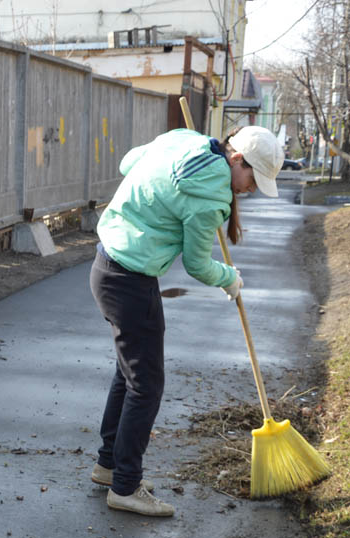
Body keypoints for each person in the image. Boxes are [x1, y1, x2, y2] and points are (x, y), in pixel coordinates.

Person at [89, 125, 282, 517]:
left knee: (129, 375)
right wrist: (230, 278)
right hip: (131, 277)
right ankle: (126, 486)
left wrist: (163, 181)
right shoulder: (210, 193)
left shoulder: (183, 140)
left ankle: (109, 467)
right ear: (238, 159)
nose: (250, 189)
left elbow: (130, 161)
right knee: (146, 385)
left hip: (109, 261)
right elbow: (196, 265)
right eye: (252, 179)